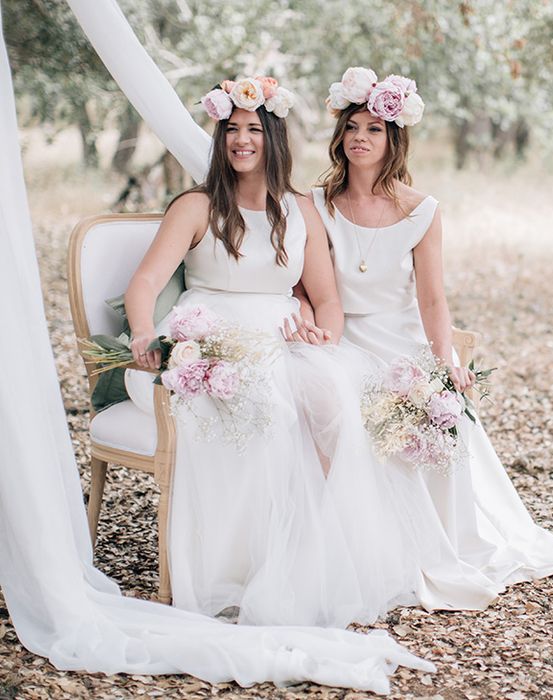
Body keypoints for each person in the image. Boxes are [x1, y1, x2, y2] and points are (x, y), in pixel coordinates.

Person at [123, 76, 422, 628]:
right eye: (232, 130)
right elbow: (143, 283)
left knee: (333, 401)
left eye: (254, 130)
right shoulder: (195, 206)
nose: (241, 140)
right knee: (266, 410)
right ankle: (243, 565)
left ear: (274, 138)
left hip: (281, 337)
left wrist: (323, 337)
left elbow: (327, 300)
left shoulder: (299, 209)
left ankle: (317, 554)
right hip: (210, 335)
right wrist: (144, 333)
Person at [307, 67, 553, 599]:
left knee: (430, 412)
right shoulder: (317, 204)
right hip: (341, 339)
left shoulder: (421, 211)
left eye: (374, 129)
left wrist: (444, 365)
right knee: (342, 406)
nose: (361, 138)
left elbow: (433, 299)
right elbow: (311, 286)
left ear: (394, 140)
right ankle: (358, 540)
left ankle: (432, 541)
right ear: (339, 137)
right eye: (352, 128)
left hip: (401, 341)